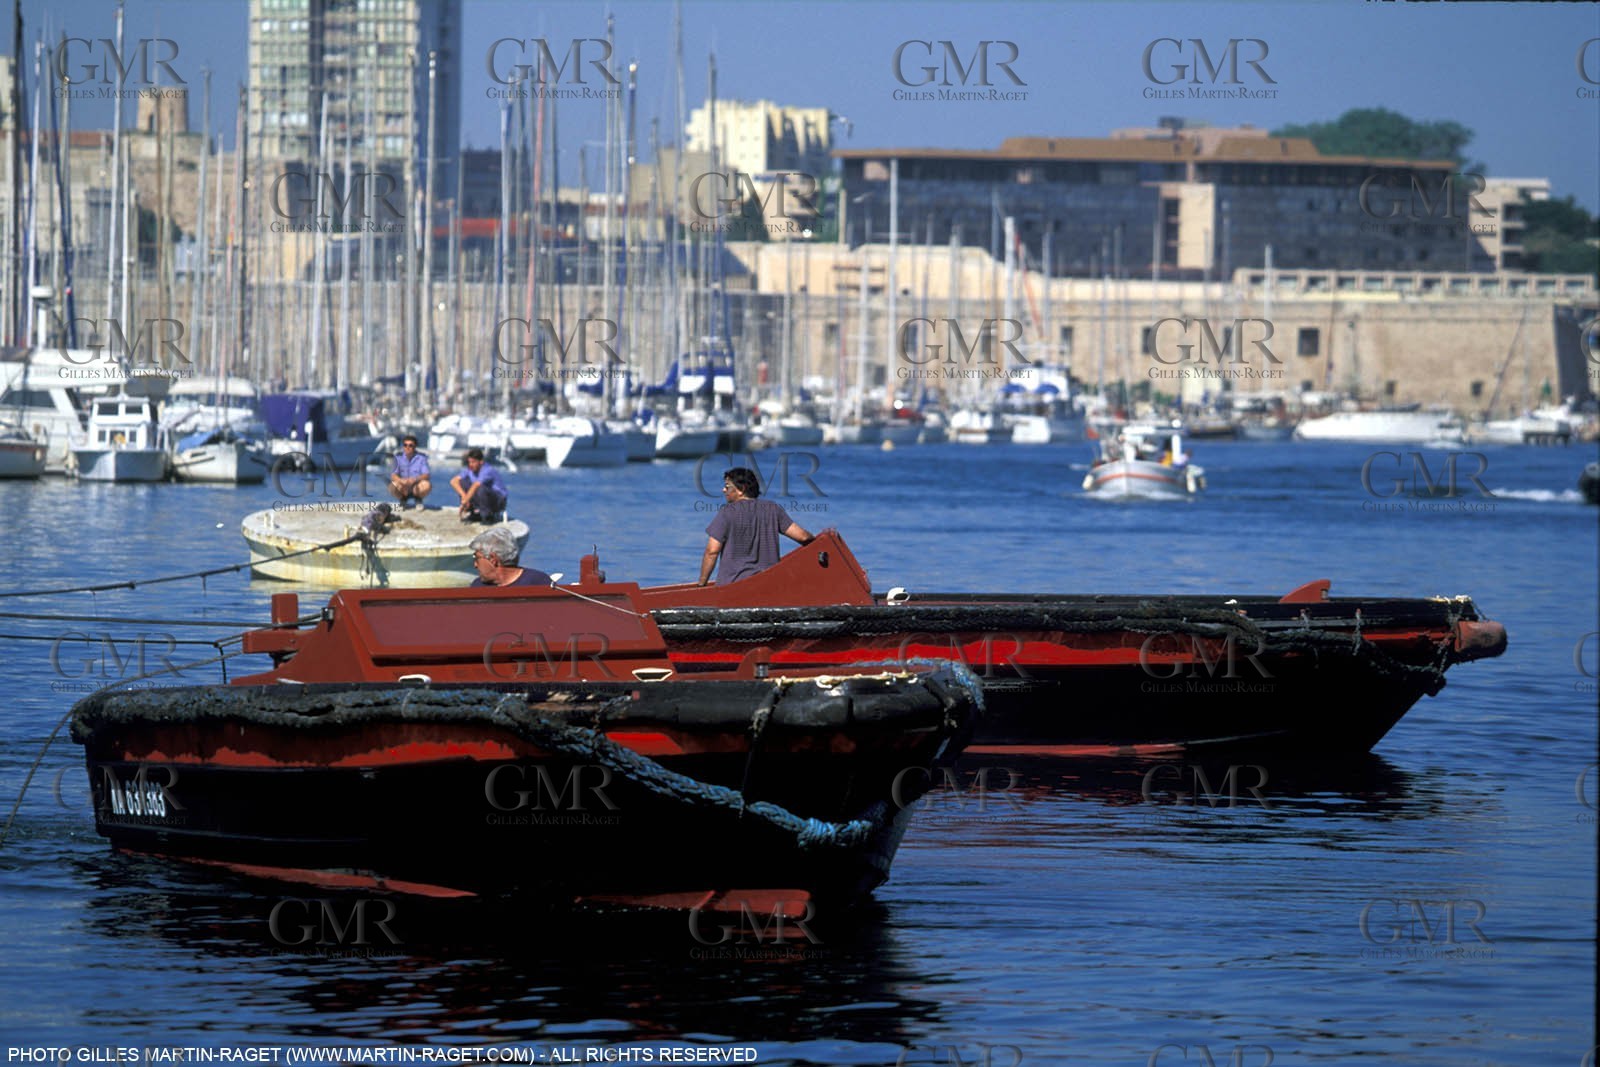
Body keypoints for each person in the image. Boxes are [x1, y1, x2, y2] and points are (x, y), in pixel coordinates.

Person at [698, 467, 814, 586]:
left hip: (733, 587)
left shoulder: (727, 512)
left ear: (741, 489)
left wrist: (701, 584)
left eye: (727, 487)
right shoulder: (772, 509)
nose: (723, 490)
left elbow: (712, 551)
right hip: (770, 585)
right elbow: (803, 537)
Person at [468, 527, 552, 587]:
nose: (475, 565)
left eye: (476, 558)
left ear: (493, 559)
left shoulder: (538, 582)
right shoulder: (478, 586)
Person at [451, 447, 508, 523]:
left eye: (473, 462)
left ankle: (488, 515)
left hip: (498, 501)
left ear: (481, 462)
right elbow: (454, 481)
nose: (471, 464)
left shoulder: (488, 470)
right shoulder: (469, 469)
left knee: (480, 488)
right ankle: (474, 513)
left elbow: (476, 485)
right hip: (483, 496)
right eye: (469, 462)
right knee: (462, 482)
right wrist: (464, 497)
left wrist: (465, 501)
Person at [388, 435, 431, 508]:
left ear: (415, 447)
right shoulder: (398, 457)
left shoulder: (421, 458)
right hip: (403, 485)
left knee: (427, 485)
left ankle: (418, 498)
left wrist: (415, 479)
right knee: (392, 486)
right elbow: (393, 475)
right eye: (405, 445)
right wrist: (401, 480)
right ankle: (402, 499)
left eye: (410, 445)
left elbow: (426, 475)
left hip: (416, 485)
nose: (407, 447)